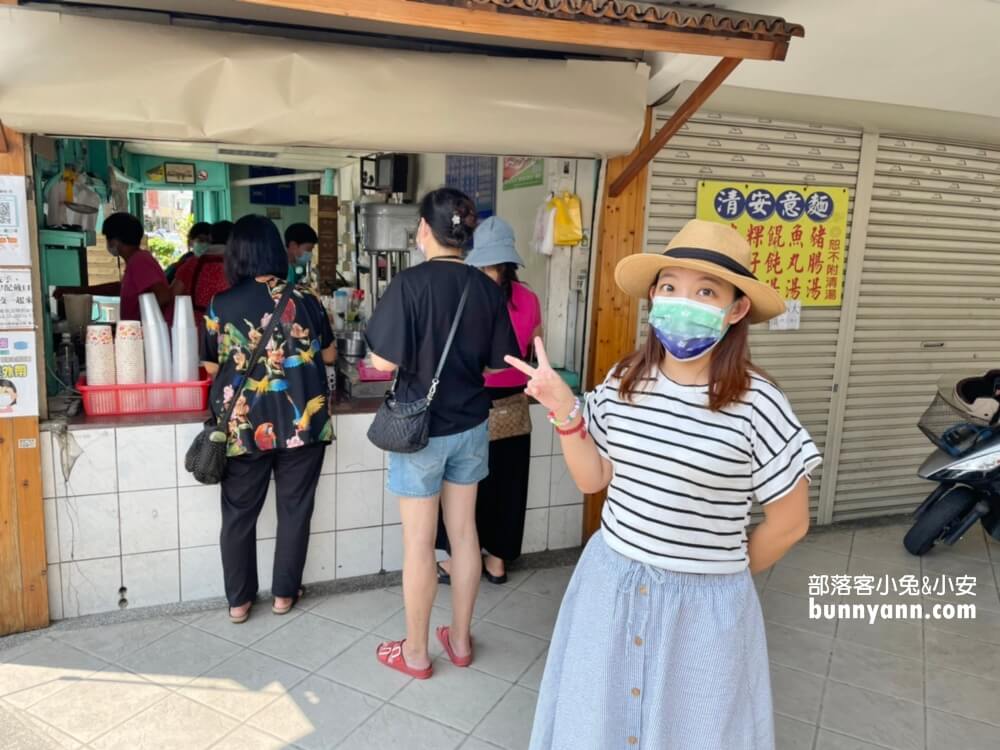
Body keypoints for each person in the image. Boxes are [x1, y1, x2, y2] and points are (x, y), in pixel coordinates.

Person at [510, 219, 820, 750]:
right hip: (610, 582)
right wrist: (565, 413)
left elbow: (790, 524)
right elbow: (594, 478)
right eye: (670, 287)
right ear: (653, 296)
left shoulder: (759, 403)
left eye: (706, 291)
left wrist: (716, 575)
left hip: (704, 604)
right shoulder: (625, 380)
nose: (682, 301)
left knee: (691, 729)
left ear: (736, 308)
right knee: (597, 722)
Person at [365, 189, 519, 679]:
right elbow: (499, 364)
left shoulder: (409, 285)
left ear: (424, 231)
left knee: (418, 543)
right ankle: (459, 639)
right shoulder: (486, 289)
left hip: (420, 430)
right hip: (472, 424)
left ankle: (414, 652)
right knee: (465, 534)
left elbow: (383, 361)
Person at [201, 214, 336, 624]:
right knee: (295, 509)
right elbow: (329, 355)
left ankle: (239, 602)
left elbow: (210, 368)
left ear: (236, 255)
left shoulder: (220, 304)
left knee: (239, 514)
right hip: (302, 424)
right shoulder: (308, 297)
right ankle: (283, 595)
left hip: (243, 426)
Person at [435, 216, 543, 585]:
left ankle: (459, 561)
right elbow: (533, 349)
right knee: (509, 486)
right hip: (515, 404)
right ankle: (497, 562)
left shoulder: (467, 294)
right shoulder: (529, 297)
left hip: (472, 402)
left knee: (466, 488)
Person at [171, 221, 231, 333]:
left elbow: (173, 295)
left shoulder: (191, 264)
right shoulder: (237, 265)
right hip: (226, 330)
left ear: (211, 238)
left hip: (194, 328)